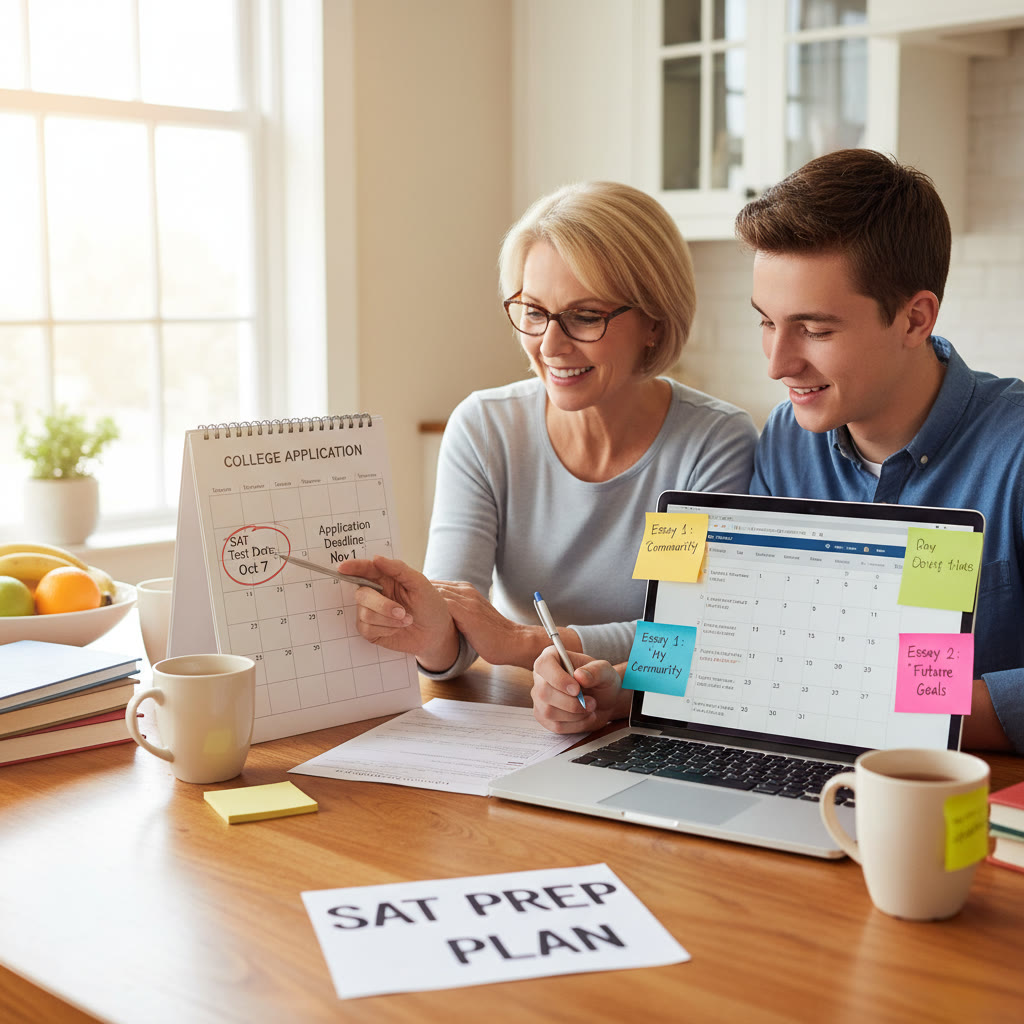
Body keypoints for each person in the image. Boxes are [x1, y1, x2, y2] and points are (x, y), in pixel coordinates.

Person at [532, 149, 1024, 754]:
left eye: (815, 329)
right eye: (767, 322)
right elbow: (733, 634)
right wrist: (628, 690)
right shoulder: (790, 441)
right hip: (796, 770)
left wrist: (889, 705)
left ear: (915, 319)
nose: (777, 364)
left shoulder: (1014, 452)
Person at [345, 181, 758, 680]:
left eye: (585, 317)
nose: (550, 346)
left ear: (654, 322)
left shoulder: (707, 444)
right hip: (516, 711)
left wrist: (526, 643)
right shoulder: (486, 430)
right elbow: (455, 633)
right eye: (534, 313)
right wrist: (427, 633)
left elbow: (684, 640)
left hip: (642, 714)